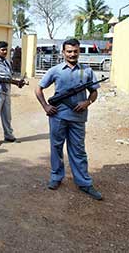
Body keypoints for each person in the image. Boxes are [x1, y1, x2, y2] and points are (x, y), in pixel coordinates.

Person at [34, 38, 102, 200]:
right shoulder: (55, 70)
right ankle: (56, 177)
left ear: (79, 52)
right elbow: (38, 89)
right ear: (63, 52)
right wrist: (45, 106)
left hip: (78, 118)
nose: (72, 54)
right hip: (57, 116)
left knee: (78, 150)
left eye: (75, 51)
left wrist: (87, 102)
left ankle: (84, 182)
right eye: (69, 51)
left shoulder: (87, 71)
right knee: (56, 148)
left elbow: (94, 92)